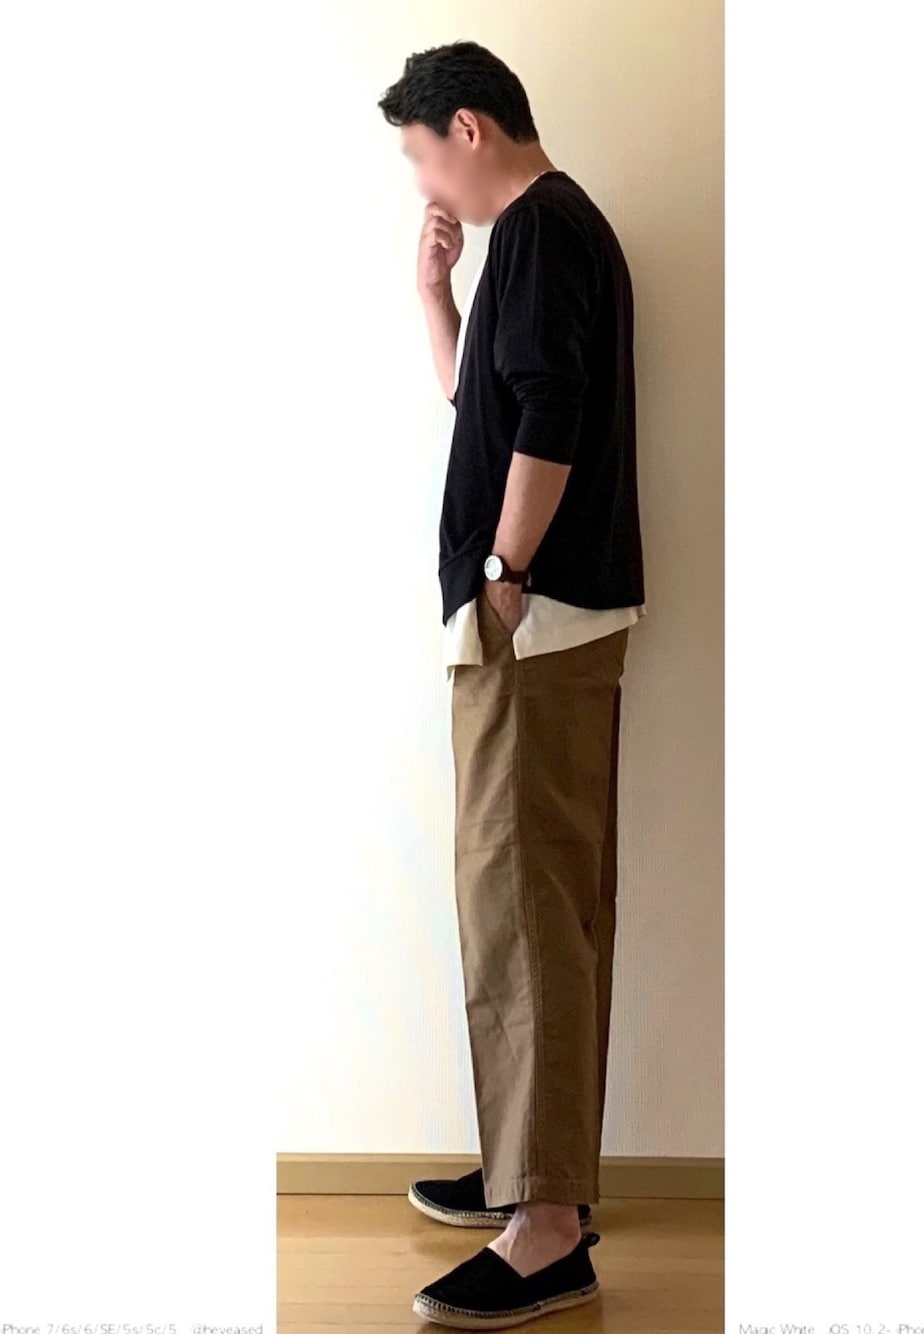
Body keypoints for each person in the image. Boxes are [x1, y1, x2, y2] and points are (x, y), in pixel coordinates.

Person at [378, 39, 646, 1329]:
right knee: (545, 902)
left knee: (521, 907)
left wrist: (502, 570)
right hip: (550, 622)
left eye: (422, 155)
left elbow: (549, 412)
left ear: (467, 129)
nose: (425, 181)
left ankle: (544, 1229)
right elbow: (478, 408)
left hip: (533, 623)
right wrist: (436, 292)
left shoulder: (542, 229)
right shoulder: (542, 239)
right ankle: (541, 1184)